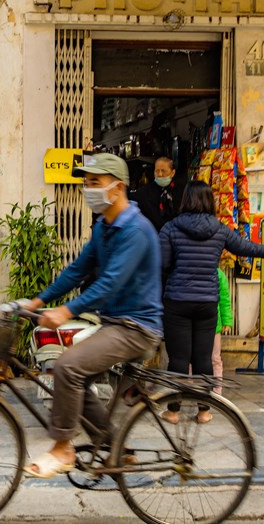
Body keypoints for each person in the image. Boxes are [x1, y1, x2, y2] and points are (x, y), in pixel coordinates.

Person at [22, 153, 163, 478]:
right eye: (86, 183)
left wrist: (66, 311)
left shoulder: (136, 230)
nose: (89, 189)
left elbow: (111, 282)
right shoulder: (104, 226)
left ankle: (62, 449)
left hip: (137, 327)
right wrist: (39, 300)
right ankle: (115, 447)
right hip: (114, 323)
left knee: (68, 367)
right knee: (73, 377)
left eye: (95, 183)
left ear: (118, 188)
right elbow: (78, 269)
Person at [159, 180, 264, 424]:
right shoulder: (220, 229)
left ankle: (173, 411)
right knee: (203, 359)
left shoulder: (171, 228)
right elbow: (245, 247)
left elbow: (162, 264)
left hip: (177, 301)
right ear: (210, 201)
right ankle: (204, 411)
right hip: (207, 302)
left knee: (178, 359)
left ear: (185, 201)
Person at [131, 157, 183, 233]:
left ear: (172, 173)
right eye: (157, 171)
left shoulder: (181, 191)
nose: (160, 174)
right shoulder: (144, 192)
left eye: (163, 171)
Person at [213, 267, 233, 395]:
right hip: (209, 324)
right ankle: (193, 389)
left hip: (215, 326)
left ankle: (217, 391)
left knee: (215, 358)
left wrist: (227, 321)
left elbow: (224, 299)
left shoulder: (219, 274)